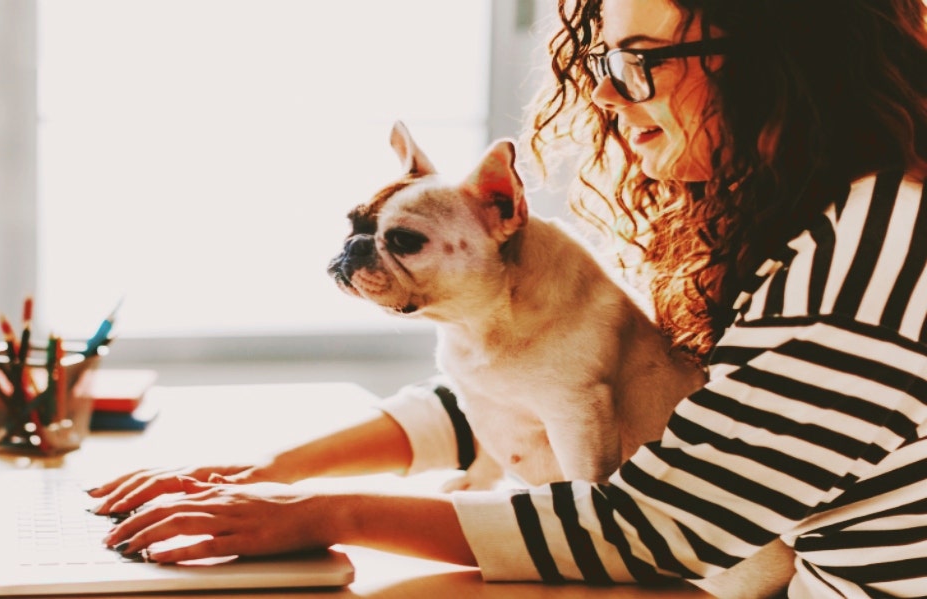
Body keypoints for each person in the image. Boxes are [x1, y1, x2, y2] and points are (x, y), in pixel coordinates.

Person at [89, 0, 927, 595]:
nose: (603, 93)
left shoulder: (862, 262)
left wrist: (319, 513)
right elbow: (501, 397)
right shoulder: (816, 213)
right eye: (602, 62)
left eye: (637, 62)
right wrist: (267, 476)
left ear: (779, 51)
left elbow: (662, 525)